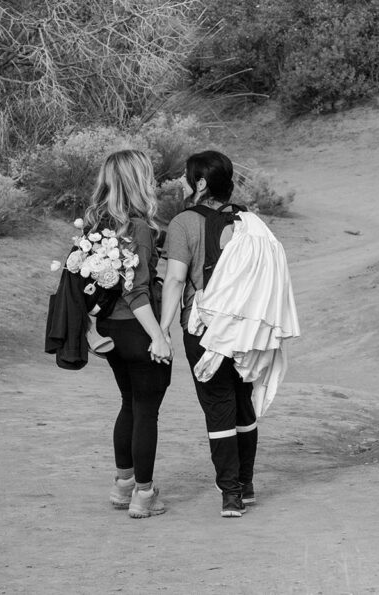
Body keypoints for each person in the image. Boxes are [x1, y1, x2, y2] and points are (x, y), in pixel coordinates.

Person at [160, 150, 258, 518]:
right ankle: (245, 486)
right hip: (245, 326)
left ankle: (230, 493)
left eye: (187, 178)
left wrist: (164, 329)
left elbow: (175, 279)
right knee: (242, 402)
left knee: (218, 404)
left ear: (200, 184)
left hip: (203, 328)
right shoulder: (248, 220)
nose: (183, 184)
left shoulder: (184, 222)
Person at [86, 149, 172, 519]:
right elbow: (135, 291)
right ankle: (144, 493)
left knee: (128, 402)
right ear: (139, 180)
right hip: (137, 328)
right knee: (146, 410)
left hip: (110, 330)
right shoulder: (136, 227)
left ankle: (122, 485)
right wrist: (159, 336)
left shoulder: (96, 225)